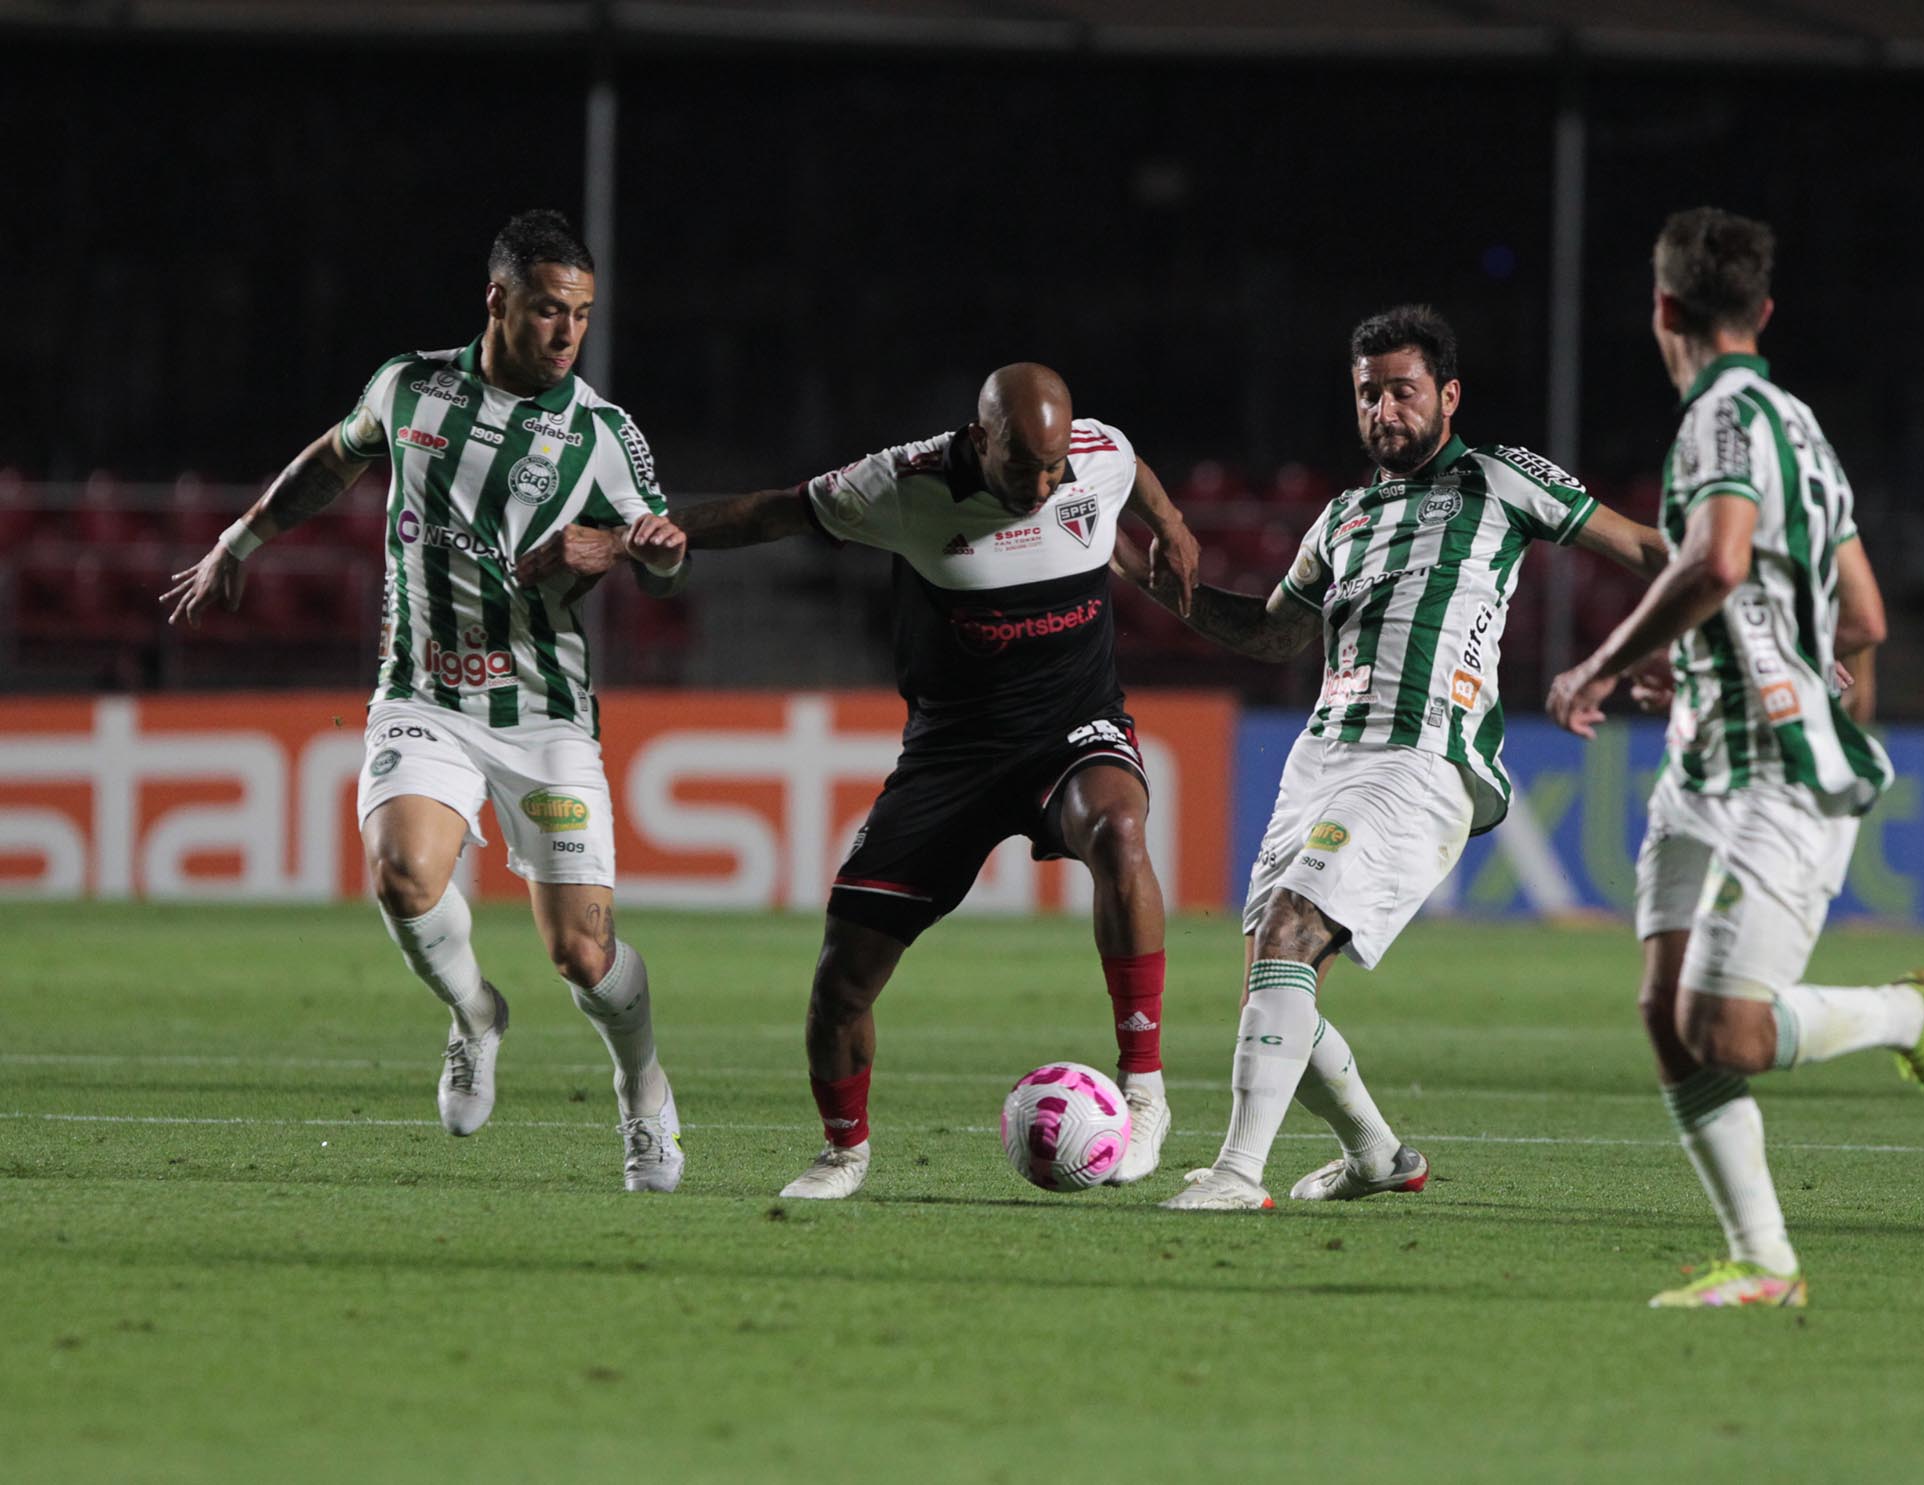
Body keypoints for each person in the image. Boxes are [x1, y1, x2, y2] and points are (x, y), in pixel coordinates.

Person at [527, 363, 1202, 1198]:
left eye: (1054, 466)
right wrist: (641, 537)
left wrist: (1168, 521)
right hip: (950, 756)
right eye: (1022, 464)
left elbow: (1129, 466)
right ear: (980, 438)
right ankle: (844, 1151)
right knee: (840, 981)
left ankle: (1145, 1089)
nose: (1042, 483)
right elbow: (777, 508)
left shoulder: (1092, 453)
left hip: (1072, 728)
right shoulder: (904, 482)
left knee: (1121, 827)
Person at [163, 210, 694, 1192]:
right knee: (404, 874)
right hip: (424, 695)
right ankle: (473, 1015)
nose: (567, 332)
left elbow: (668, 565)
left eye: (579, 313)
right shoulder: (409, 387)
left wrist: (624, 549)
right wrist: (241, 540)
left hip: (545, 718)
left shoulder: (605, 437)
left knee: (581, 954)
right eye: (546, 311)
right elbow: (335, 453)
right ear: (497, 301)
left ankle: (642, 1089)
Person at [1114, 304, 1670, 1211]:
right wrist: (1138, 570)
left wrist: (1745, 621)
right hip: (1323, 758)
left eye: (1403, 391)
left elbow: (1647, 546)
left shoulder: (1497, 477)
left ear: (1448, 396)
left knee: (1292, 930)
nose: (1384, 410)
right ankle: (1378, 1156)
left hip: (1420, 758)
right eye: (1368, 394)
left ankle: (1236, 1173)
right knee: (1273, 970)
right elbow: (1268, 634)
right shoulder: (1341, 519)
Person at [1545, 207, 1924, 1308]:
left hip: (1772, 776)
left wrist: (1602, 663)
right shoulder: (1799, 425)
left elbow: (1716, 560)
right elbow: (1864, 617)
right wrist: (1700, 665)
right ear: (1763, 311)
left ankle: (1908, 1016)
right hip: (1704, 766)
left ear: (1661, 309)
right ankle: (1764, 1262)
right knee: (1662, 1011)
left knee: (1725, 1029)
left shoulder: (1718, 420)